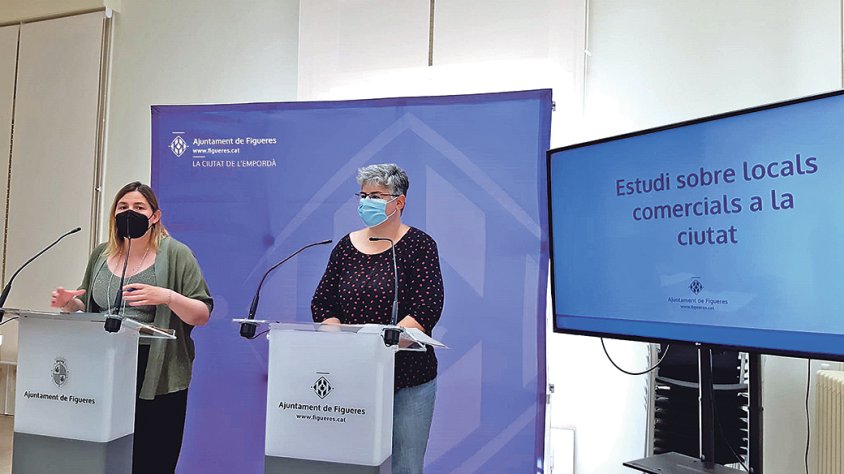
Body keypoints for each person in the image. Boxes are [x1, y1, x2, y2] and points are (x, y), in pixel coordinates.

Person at [50, 181, 213, 474]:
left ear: (155, 216)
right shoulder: (101, 254)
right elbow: (87, 302)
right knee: (105, 455)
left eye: (139, 207)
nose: (130, 212)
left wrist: (167, 296)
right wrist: (68, 303)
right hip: (106, 364)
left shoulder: (176, 254)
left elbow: (201, 314)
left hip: (156, 370)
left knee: (152, 458)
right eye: (123, 206)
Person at [311, 163, 444, 474]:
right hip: (353, 376)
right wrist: (336, 338)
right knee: (352, 465)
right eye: (363, 195)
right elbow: (323, 302)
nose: (366, 202)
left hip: (408, 378)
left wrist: (378, 348)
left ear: (399, 201)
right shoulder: (346, 247)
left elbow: (427, 307)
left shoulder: (420, 245)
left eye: (376, 196)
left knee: (405, 467)